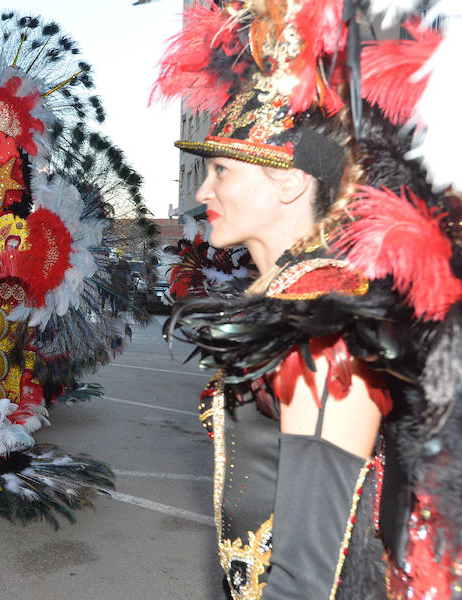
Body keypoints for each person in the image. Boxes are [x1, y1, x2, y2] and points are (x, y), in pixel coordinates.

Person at [155, 2, 462, 598]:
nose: (205, 188)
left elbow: (305, 574)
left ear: (292, 181)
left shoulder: (325, 325)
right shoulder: (288, 301)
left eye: (221, 169)